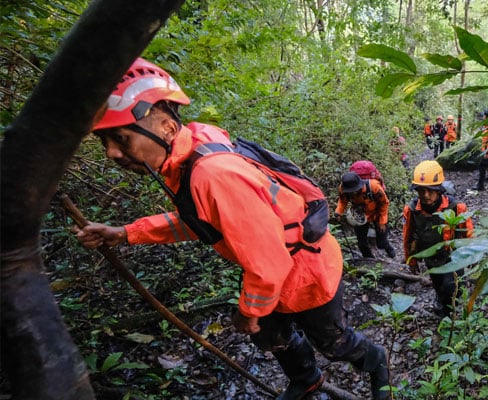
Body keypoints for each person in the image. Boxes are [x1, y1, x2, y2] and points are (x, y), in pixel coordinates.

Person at [71, 58, 389, 400]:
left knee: (333, 343)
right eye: (105, 142)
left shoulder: (213, 174)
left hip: (306, 273)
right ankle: (307, 379)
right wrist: (125, 233)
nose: (112, 153)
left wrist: (248, 312)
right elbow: (201, 222)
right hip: (276, 273)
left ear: (165, 126)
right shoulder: (190, 156)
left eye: (120, 138)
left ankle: (377, 364)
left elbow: (269, 265)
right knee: (268, 335)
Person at [402, 161, 474, 318]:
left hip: (453, 256)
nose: (426, 195)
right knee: (437, 283)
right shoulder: (413, 210)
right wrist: (410, 259)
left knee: (452, 287)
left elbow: (468, 233)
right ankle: (442, 301)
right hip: (430, 256)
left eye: (430, 190)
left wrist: (472, 256)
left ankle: (449, 315)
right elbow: (408, 235)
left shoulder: (456, 207)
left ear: (439, 190)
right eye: (421, 191)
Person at [335, 171, 396, 259]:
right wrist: (339, 212)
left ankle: (390, 250)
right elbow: (342, 201)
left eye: (354, 191)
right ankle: (369, 261)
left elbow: (384, 203)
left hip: (377, 213)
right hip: (359, 215)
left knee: (381, 242)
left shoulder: (374, 187)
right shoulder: (343, 188)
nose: (352, 193)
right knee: (361, 243)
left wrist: (382, 221)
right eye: (350, 191)